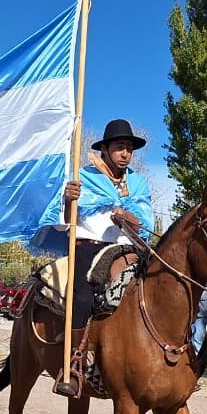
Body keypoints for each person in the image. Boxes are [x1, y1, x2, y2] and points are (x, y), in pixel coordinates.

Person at [55, 118, 153, 397]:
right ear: (106, 149)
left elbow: (145, 224)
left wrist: (126, 215)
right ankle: (73, 363)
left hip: (129, 248)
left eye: (129, 149)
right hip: (90, 245)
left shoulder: (137, 183)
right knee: (83, 294)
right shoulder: (83, 177)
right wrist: (67, 199)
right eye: (120, 147)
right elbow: (62, 218)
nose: (126, 154)